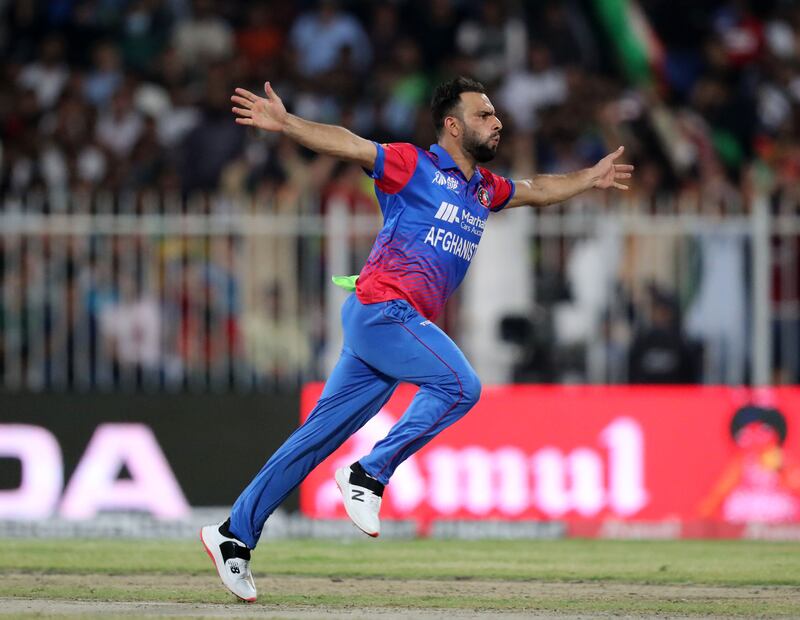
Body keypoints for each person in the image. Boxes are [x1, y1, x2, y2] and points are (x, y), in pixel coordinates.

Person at [200, 76, 633, 601]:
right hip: (383, 311)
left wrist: (590, 177)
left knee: (313, 441)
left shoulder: (483, 189)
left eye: (496, 114)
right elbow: (349, 143)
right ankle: (369, 475)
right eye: (483, 115)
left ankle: (233, 537)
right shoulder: (413, 165)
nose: (496, 122)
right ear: (452, 126)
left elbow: (539, 190)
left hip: (383, 327)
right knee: (462, 386)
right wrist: (288, 124)